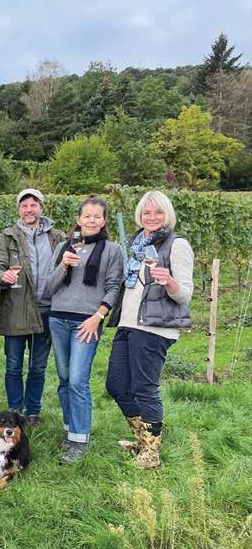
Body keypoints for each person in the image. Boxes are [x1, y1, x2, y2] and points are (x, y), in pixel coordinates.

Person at [105, 191, 194, 469]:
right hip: (128, 323)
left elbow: (185, 294)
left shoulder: (177, 244)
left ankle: (151, 453)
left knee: (144, 388)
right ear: (139, 215)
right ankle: (143, 440)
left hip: (154, 327)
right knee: (116, 385)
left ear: (167, 214)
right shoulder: (134, 244)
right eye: (146, 212)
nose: (152, 217)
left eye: (158, 212)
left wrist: (169, 282)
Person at [45, 195, 124, 464]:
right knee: (64, 378)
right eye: (87, 216)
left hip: (87, 322)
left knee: (78, 380)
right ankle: (70, 430)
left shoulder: (112, 250)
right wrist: (63, 265)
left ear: (104, 220)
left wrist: (97, 317)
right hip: (58, 319)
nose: (91, 220)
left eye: (97, 216)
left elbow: (113, 287)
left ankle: (79, 440)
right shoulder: (63, 247)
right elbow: (49, 287)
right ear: (78, 219)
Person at [0, 189, 65, 426]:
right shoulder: (7, 237)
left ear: (41, 207)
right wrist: (3, 276)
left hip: (47, 310)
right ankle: (15, 411)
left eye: (33, 204)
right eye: (24, 205)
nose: (29, 209)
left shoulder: (58, 237)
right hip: (16, 309)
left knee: (38, 367)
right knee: (13, 365)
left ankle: (32, 412)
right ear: (19, 209)